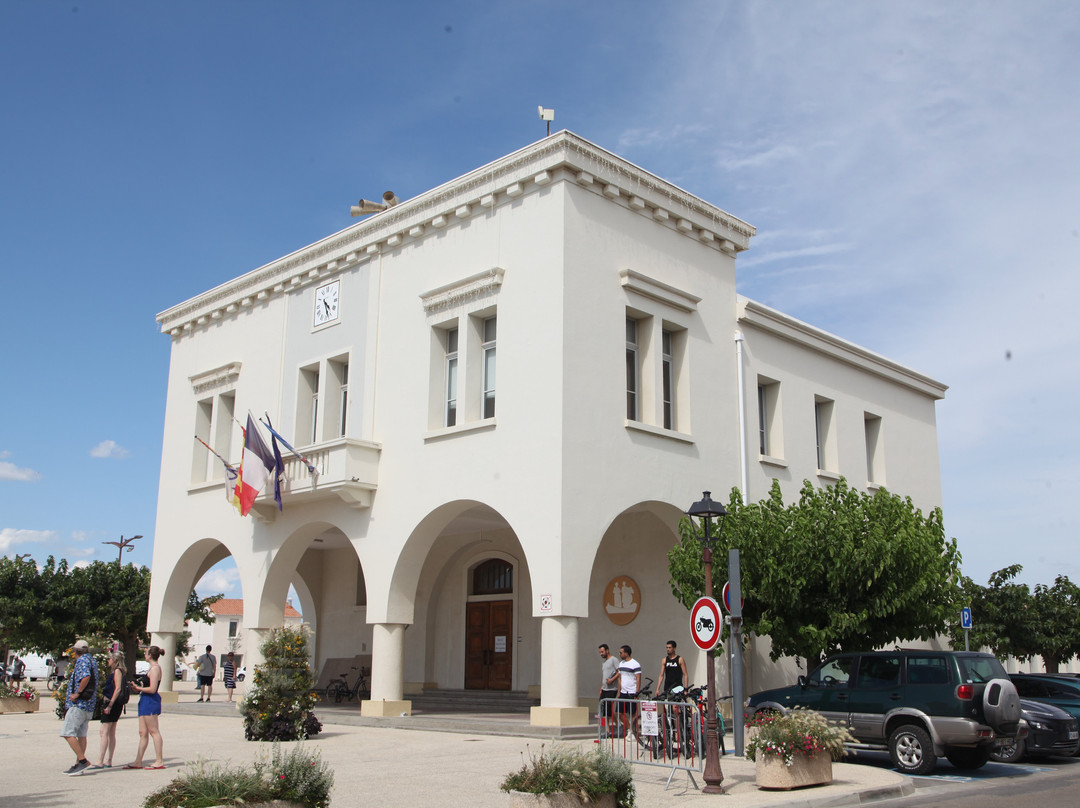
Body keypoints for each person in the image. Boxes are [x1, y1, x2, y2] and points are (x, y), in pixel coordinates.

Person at [60, 639, 98, 776]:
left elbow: (85, 677)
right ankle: (78, 764)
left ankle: (82, 760)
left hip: (79, 703)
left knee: (67, 732)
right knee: (81, 734)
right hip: (89, 704)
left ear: (76, 651)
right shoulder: (92, 660)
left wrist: (77, 693)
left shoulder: (82, 661)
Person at [126, 645, 165, 770]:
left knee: (154, 731)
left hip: (150, 700)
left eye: (146, 653)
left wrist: (139, 688)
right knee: (142, 732)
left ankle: (159, 760)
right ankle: (138, 760)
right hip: (145, 700)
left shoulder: (155, 669)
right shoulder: (152, 668)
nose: (144, 654)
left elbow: (153, 689)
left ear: (150, 655)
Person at [91, 650, 126, 769]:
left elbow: (117, 689)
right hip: (116, 704)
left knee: (104, 731)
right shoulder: (121, 671)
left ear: (115, 660)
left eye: (110, 659)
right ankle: (108, 759)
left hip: (112, 703)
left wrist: (110, 705)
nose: (108, 661)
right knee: (111, 732)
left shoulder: (117, 671)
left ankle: (100, 760)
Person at [615, 645, 642, 735]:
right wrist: (619, 691)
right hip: (623, 692)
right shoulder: (621, 664)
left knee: (632, 714)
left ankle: (633, 731)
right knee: (619, 713)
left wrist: (636, 693)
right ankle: (631, 729)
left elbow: (638, 679)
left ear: (626, 653)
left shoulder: (635, 664)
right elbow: (620, 678)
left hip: (632, 692)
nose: (619, 654)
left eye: (621, 652)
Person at [598, 644, 619, 730]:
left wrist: (612, 680)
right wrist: (601, 687)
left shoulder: (614, 660)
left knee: (609, 709)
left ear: (607, 650)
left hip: (612, 689)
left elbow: (619, 672)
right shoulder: (604, 662)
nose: (601, 654)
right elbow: (604, 675)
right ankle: (607, 729)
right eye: (600, 652)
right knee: (604, 710)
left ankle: (618, 725)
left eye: (602, 652)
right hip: (604, 689)